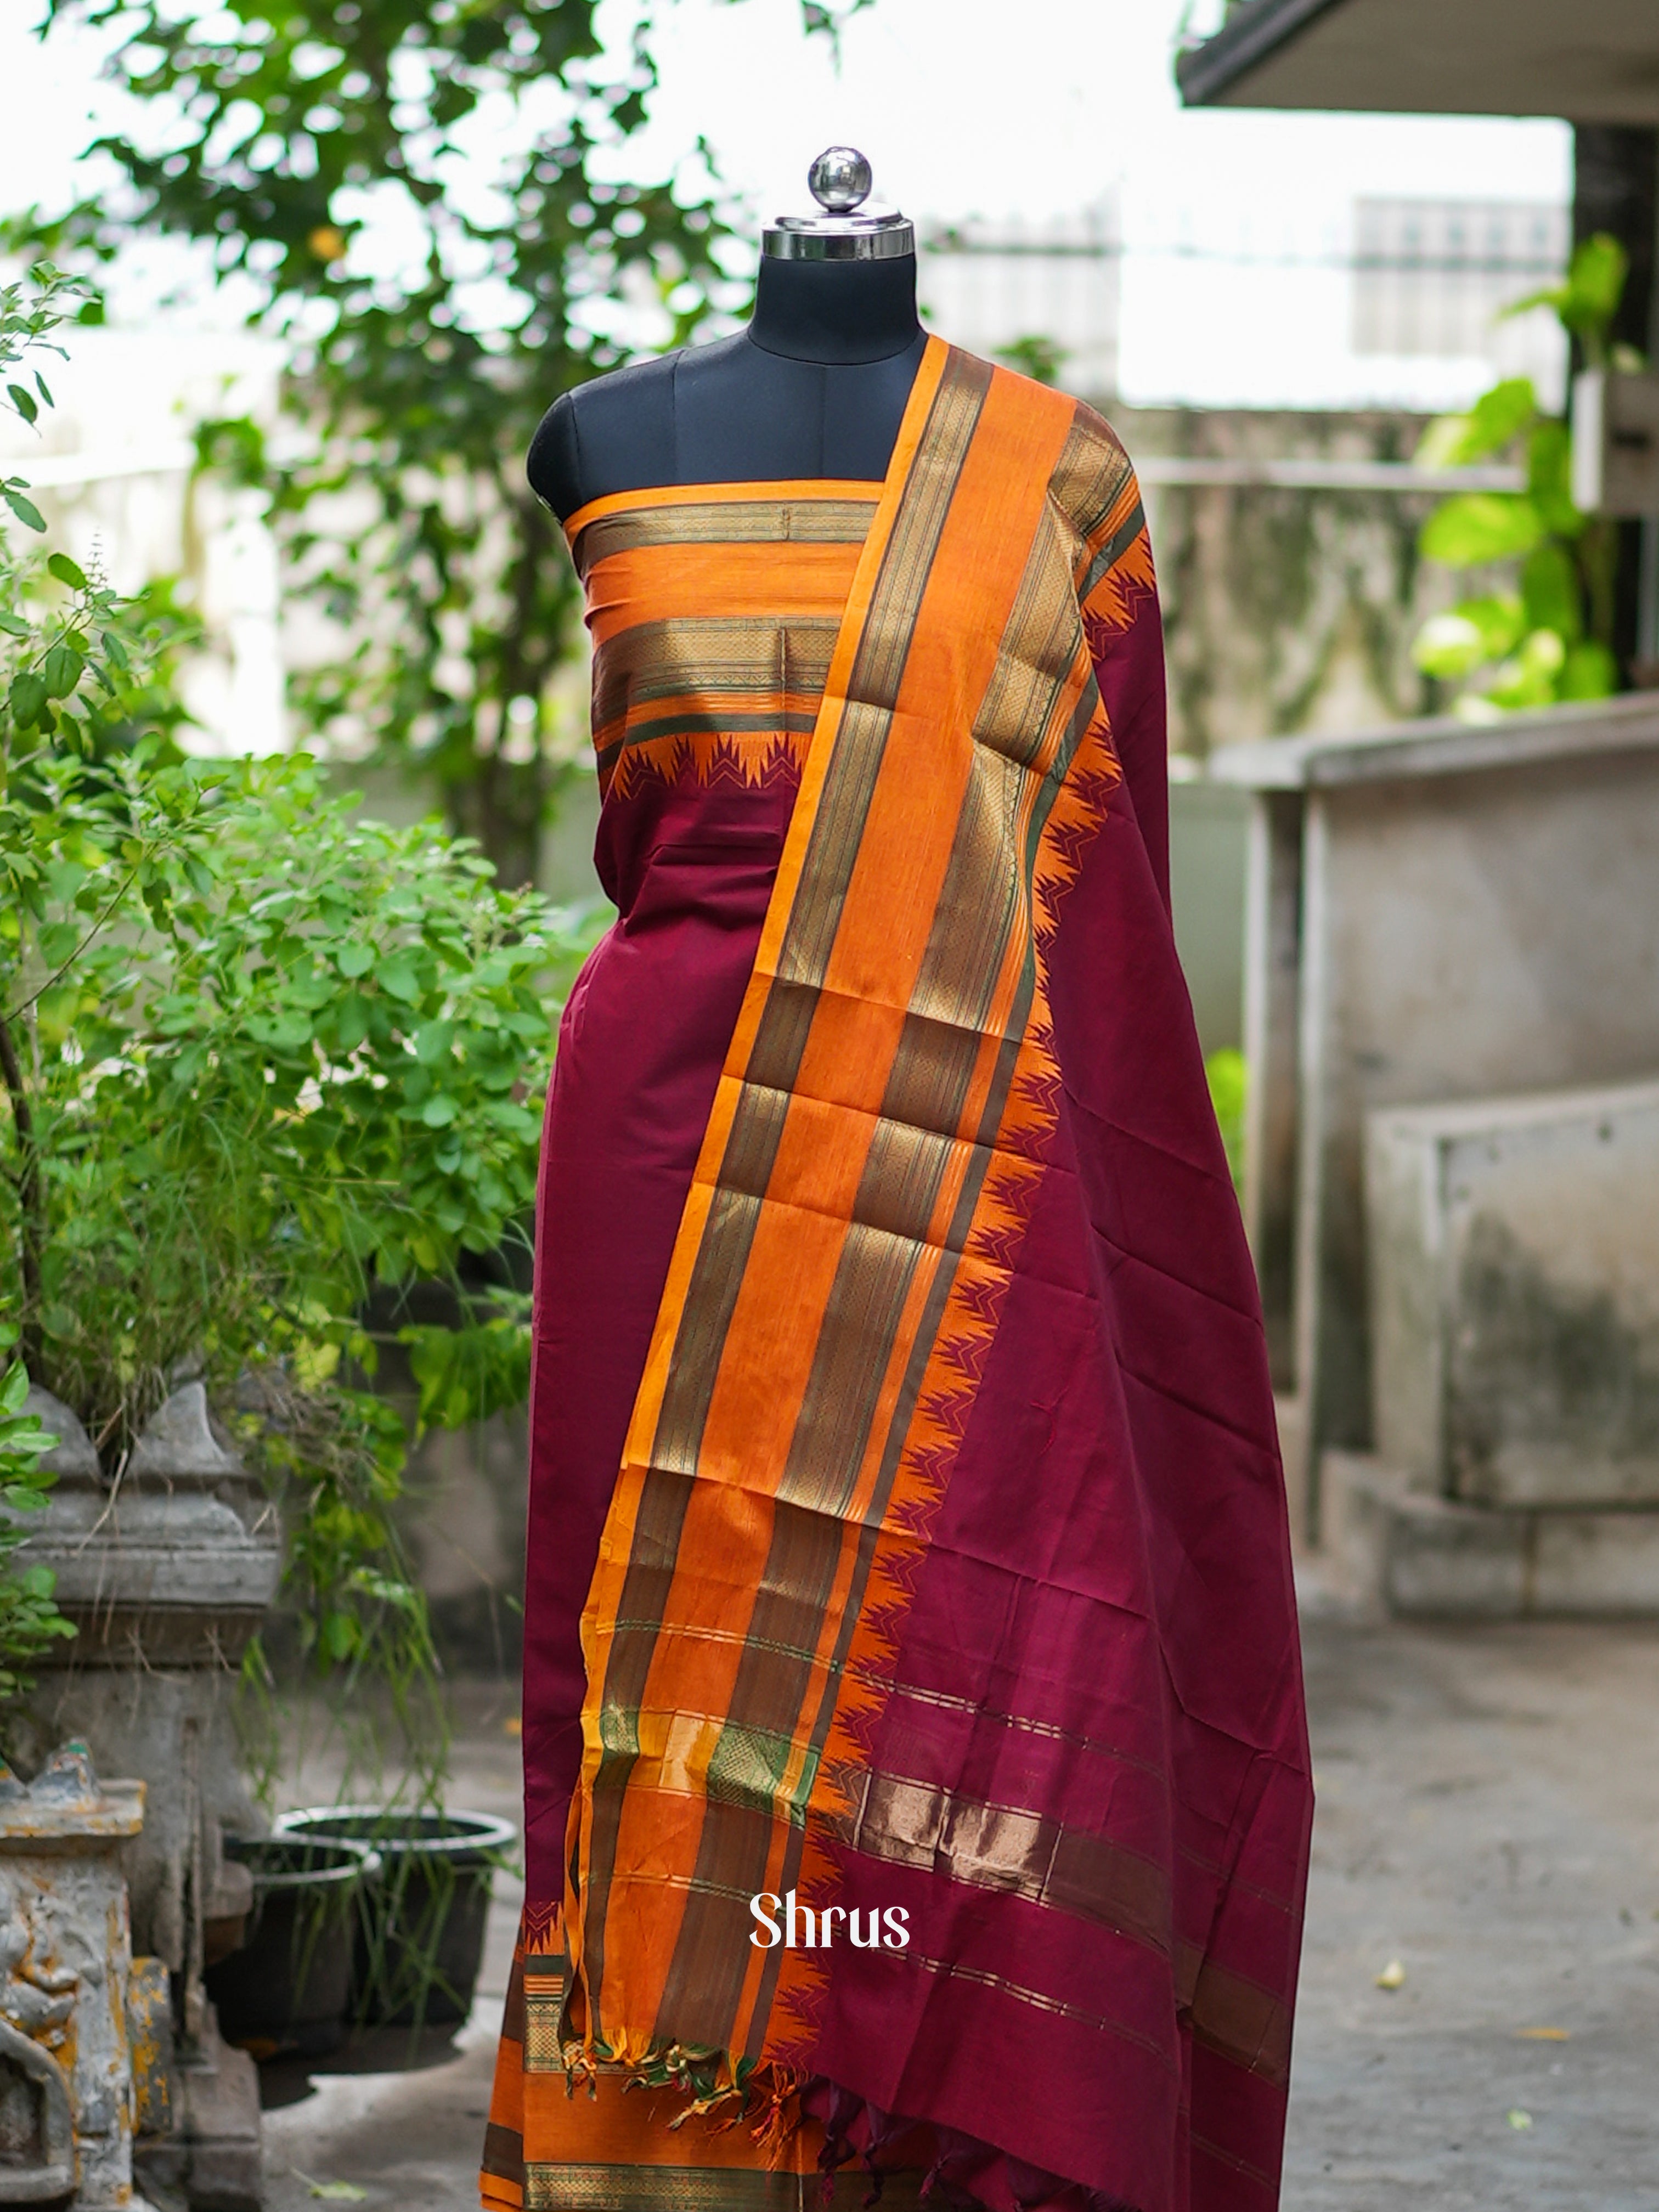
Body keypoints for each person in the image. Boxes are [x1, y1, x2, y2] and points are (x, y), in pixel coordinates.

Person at [483, 154, 1312, 2212]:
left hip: (977, 1196)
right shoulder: (604, 440)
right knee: (649, 1675)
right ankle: (672, 2155)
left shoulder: (1061, 482)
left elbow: (1104, 937)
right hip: (667, 1158)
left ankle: (964, 2130)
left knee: (980, 1664)